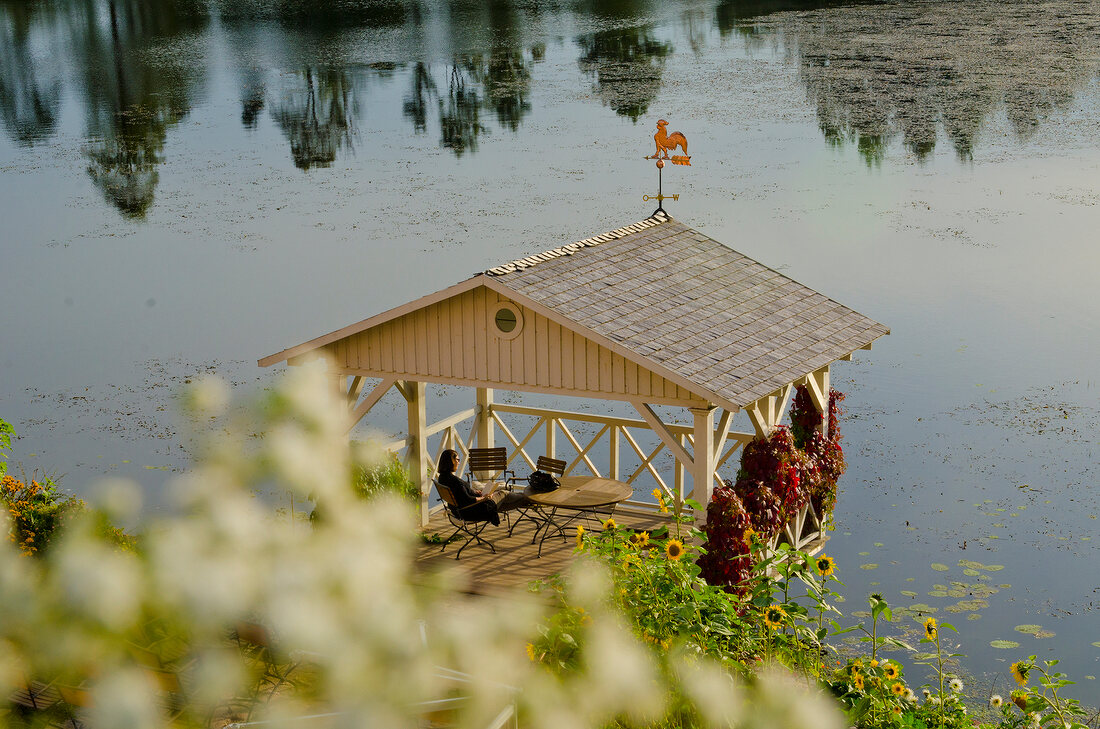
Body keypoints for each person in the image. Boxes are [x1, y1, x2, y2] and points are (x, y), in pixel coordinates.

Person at [436, 449, 529, 526]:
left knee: (503, 503)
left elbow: (461, 495)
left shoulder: (442, 478)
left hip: (459, 511)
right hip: (472, 511)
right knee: (503, 493)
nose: (459, 462)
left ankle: (525, 498)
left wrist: (475, 492)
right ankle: (527, 498)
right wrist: (484, 498)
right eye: (457, 460)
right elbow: (468, 499)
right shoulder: (455, 481)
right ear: (450, 461)